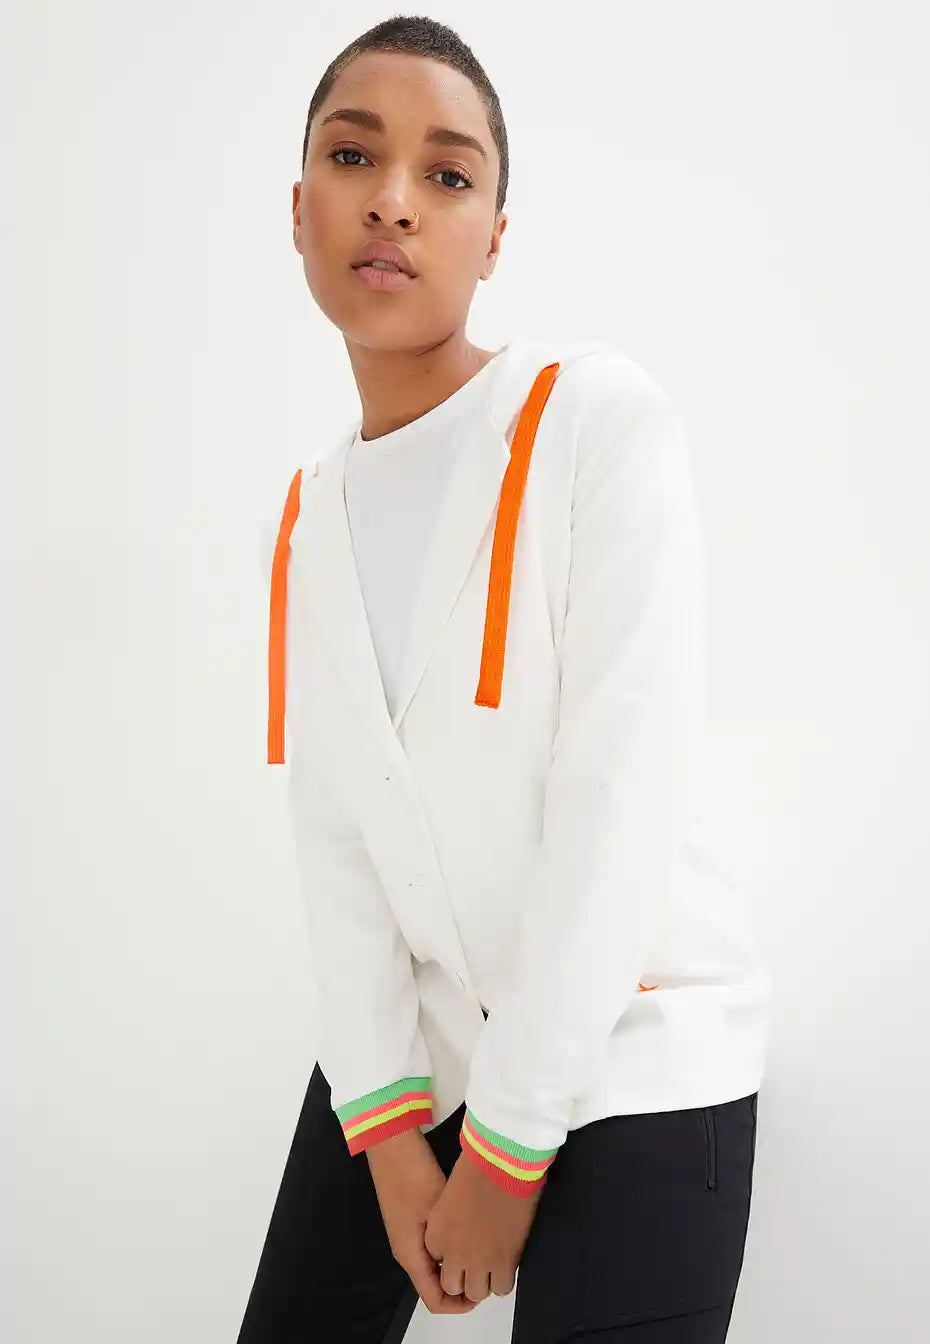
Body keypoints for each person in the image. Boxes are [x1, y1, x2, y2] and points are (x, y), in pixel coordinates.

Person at [238, 14, 771, 1343]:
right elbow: (335, 843)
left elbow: (619, 802)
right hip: (428, 1050)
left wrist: (508, 1150)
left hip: (634, 1044)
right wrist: (390, 1137)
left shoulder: (594, 420)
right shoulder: (305, 516)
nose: (395, 202)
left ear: (494, 237)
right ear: (299, 211)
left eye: (448, 174)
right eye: (354, 156)